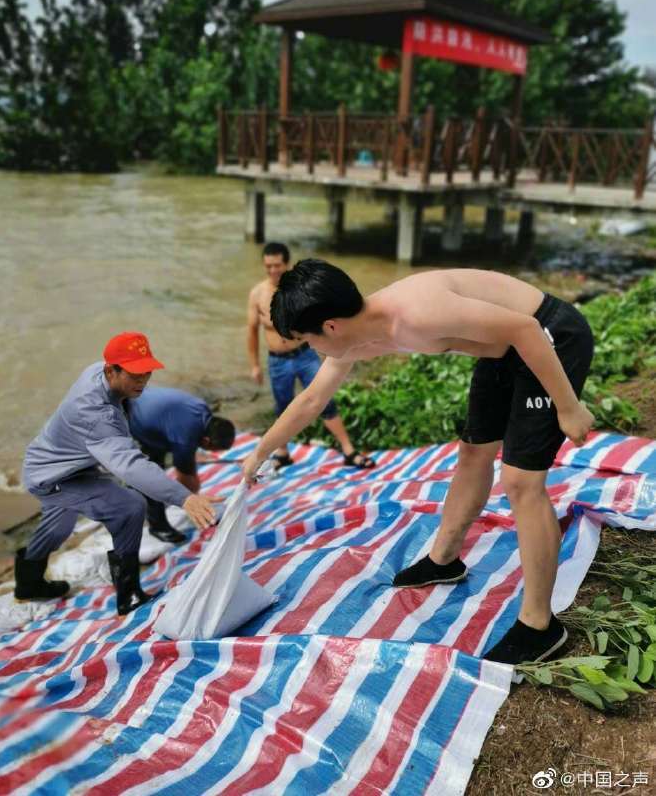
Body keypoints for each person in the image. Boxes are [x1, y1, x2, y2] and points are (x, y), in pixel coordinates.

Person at [242, 261, 595, 665]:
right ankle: (444, 559)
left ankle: (539, 625)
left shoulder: (415, 313)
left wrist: (568, 406)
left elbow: (525, 329)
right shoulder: (357, 336)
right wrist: (259, 452)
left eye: (307, 340)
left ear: (331, 326)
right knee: (473, 452)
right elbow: (310, 400)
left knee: (519, 482)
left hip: (549, 338)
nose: (310, 350)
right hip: (507, 349)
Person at [16, 332, 219, 615]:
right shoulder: (94, 413)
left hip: (58, 463)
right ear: (111, 370)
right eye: (136, 375)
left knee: (59, 527)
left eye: (147, 372)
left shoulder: (96, 371)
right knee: (129, 506)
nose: (144, 381)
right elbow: (129, 465)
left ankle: (27, 585)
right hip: (53, 477)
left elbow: (121, 439)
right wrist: (184, 498)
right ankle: (129, 595)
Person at [247, 242, 374, 471]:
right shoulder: (257, 294)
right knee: (283, 406)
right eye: (268, 266)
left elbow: (322, 324)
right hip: (277, 359)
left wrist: (330, 356)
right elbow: (251, 331)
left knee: (323, 400)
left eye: (277, 265)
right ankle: (283, 452)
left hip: (305, 353)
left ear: (286, 264)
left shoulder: (300, 293)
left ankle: (348, 449)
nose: (273, 270)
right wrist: (254, 365)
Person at [126, 386, 235, 544]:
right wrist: (196, 504)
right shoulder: (185, 438)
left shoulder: (202, 410)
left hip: (144, 398)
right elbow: (185, 481)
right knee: (150, 476)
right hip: (129, 413)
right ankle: (159, 526)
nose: (210, 452)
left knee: (159, 459)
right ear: (206, 441)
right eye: (212, 449)